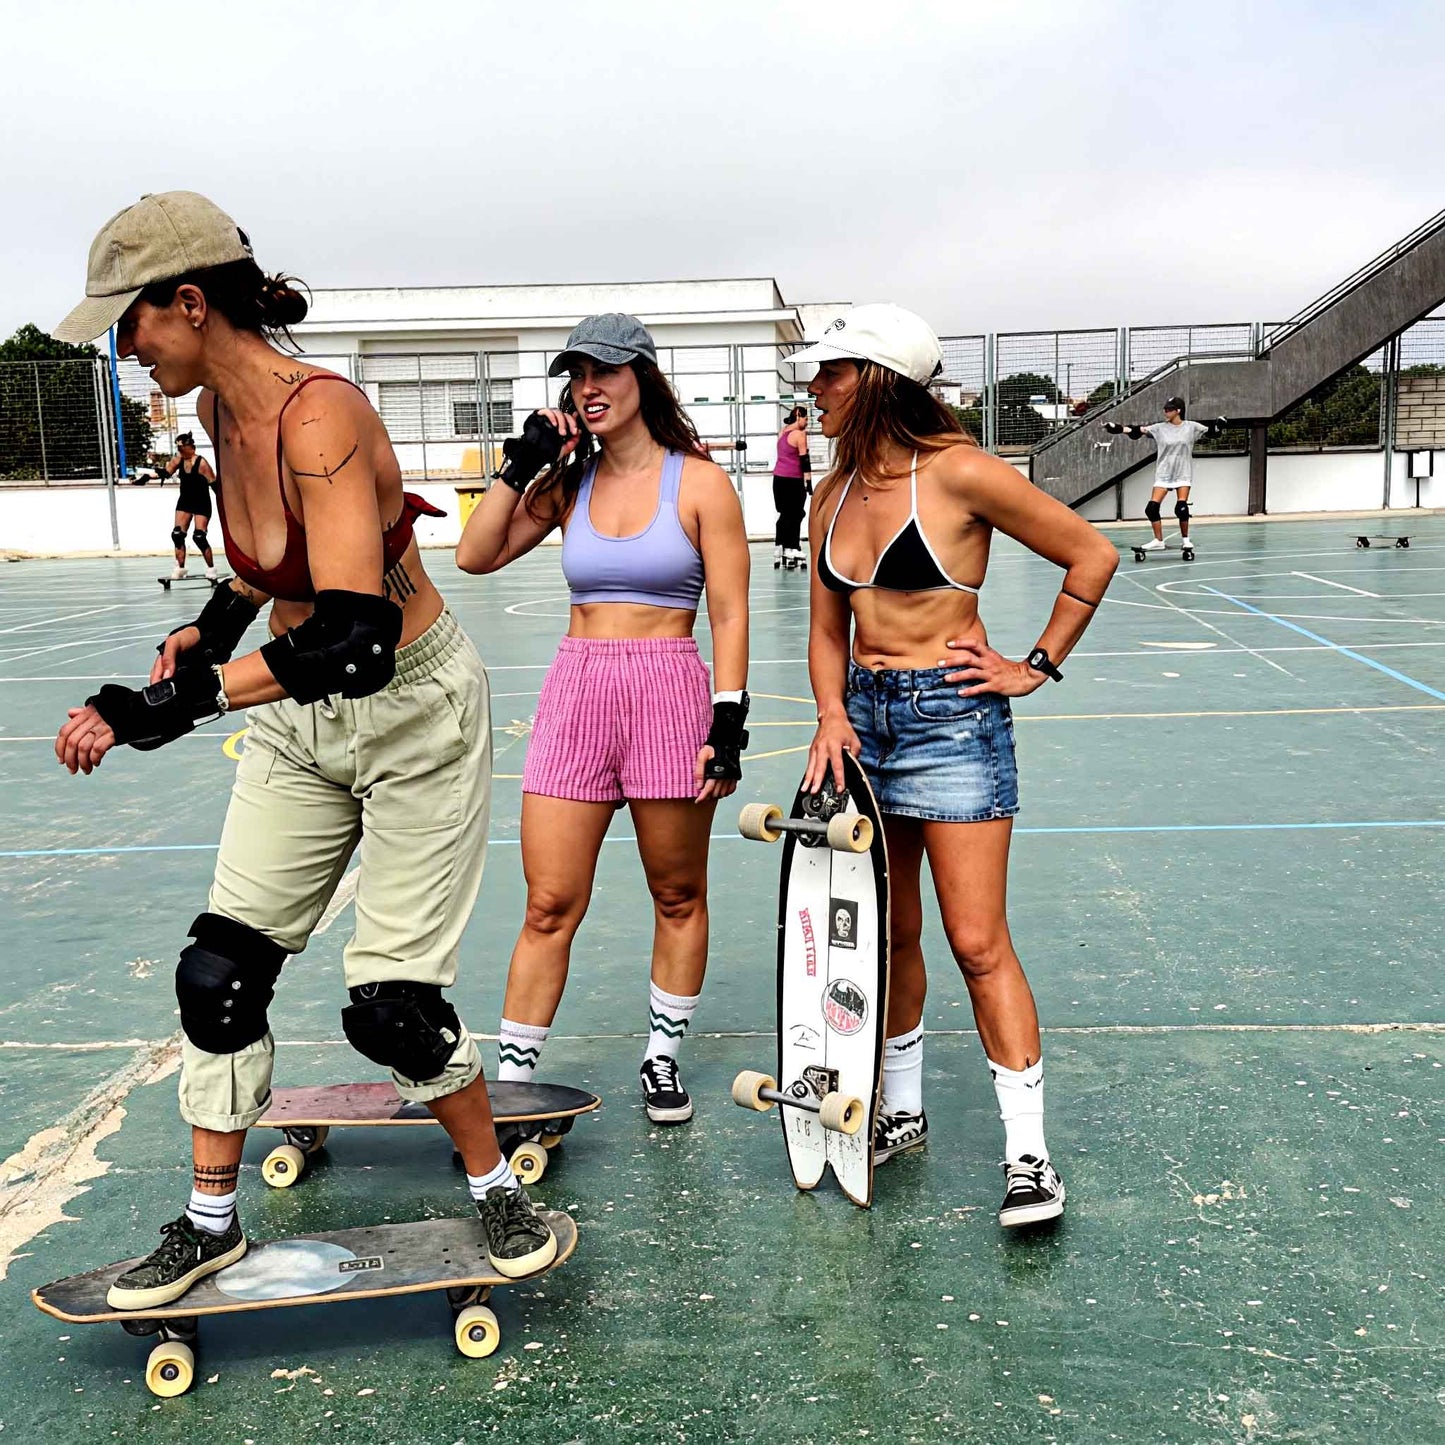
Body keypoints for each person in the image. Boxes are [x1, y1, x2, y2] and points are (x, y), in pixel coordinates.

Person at [50, 190, 556, 1307]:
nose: (125, 349)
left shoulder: (319, 417)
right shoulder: (215, 412)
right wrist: (211, 626)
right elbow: (267, 563)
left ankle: (493, 1185)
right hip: (299, 719)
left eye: (131, 322)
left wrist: (175, 702)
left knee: (391, 1010)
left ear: (190, 303)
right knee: (219, 973)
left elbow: (353, 640)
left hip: (412, 712)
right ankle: (208, 1223)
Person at [791, 303, 1118, 1226]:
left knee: (976, 942)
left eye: (830, 373)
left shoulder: (960, 471)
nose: (814, 389)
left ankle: (1028, 1157)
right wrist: (829, 714)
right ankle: (900, 1110)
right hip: (863, 724)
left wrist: (1033, 665)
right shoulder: (831, 490)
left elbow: (1090, 554)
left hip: (951, 720)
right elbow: (826, 628)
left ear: (877, 381)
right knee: (890, 934)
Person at [457, 314, 750, 1127]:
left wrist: (728, 720)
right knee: (549, 901)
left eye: (606, 372)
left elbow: (729, 611)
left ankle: (661, 1056)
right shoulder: (568, 483)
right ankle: (514, 1082)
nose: (589, 388)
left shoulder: (699, 484)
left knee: (677, 892)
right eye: (577, 375)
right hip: (577, 691)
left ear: (642, 379)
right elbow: (475, 554)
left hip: (668, 691)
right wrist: (518, 465)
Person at [1104, 396, 1227, 552]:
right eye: (1165, 409)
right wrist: (1118, 428)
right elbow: (1136, 431)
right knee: (1151, 509)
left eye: (1169, 409)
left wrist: (1219, 425)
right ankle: (1158, 541)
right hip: (1164, 473)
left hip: (1182, 472)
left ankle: (1186, 540)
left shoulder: (1191, 427)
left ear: (1178, 411)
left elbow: (1212, 433)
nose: (1165, 412)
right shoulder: (1159, 428)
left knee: (1181, 508)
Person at [164, 431, 218, 582]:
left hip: (201, 502)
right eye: (179, 449)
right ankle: (180, 568)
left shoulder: (201, 463)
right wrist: (146, 477)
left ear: (191, 447)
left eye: (182, 449)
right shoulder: (178, 460)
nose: (180, 452)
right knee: (177, 535)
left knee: (199, 537)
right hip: (185, 501)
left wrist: (224, 504)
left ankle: (211, 568)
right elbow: (166, 473)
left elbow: (214, 484)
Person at [772, 406, 812, 571]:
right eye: (805, 419)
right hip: (793, 480)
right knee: (796, 514)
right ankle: (792, 547)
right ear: (798, 415)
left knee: (785, 514)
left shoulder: (782, 432)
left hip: (778, 479)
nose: (807, 422)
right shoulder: (800, 435)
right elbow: (804, 460)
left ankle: (779, 546)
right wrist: (808, 482)